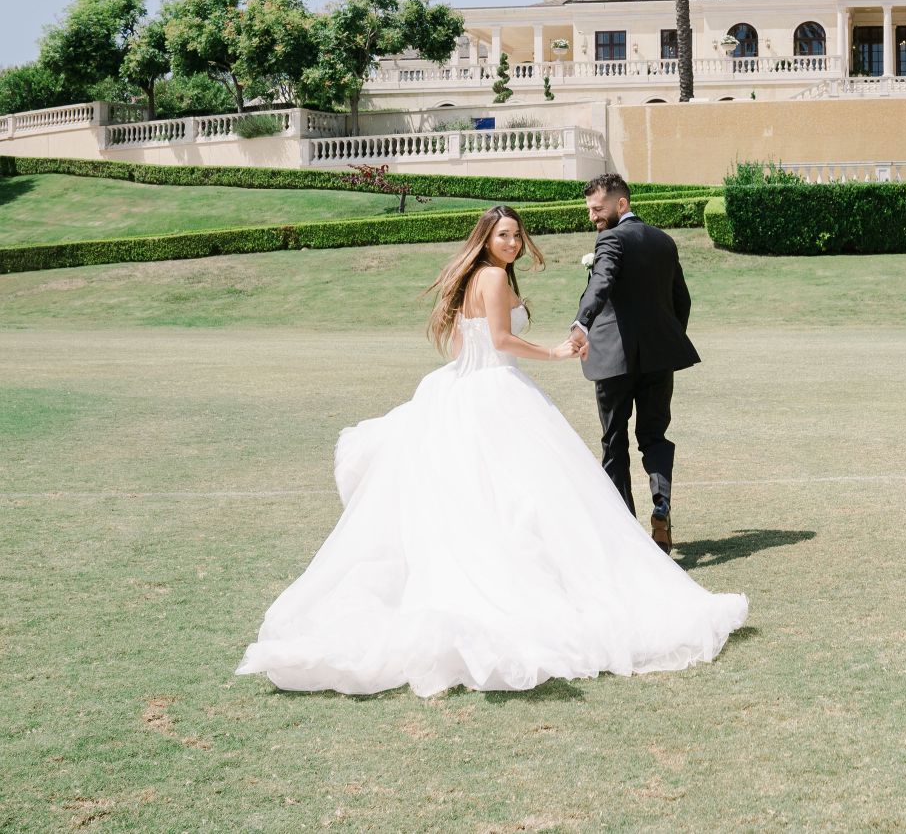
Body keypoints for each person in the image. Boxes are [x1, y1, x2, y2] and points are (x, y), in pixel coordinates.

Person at [236, 205, 746, 697]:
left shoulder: (472, 277)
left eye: (517, 235)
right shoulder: (496, 278)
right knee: (532, 494)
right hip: (497, 390)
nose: (513, 243)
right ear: (485, 238)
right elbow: (501, 338)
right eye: (504, 235)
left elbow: (466, 345)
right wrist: (553, 350)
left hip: (463, 387)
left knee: (490, 499)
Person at [571, 175, 698, 554]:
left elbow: (602, 282)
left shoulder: (611, 239)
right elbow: (683, 300)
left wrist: (582, 322)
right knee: (654, 437)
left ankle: (625, 535)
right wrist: (666, 339)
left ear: (621, 205)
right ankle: (661, 505)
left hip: (613, 359)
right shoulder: (664, 240)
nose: (593, 217)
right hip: (659, 359)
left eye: (598, 209)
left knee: (614, 441)